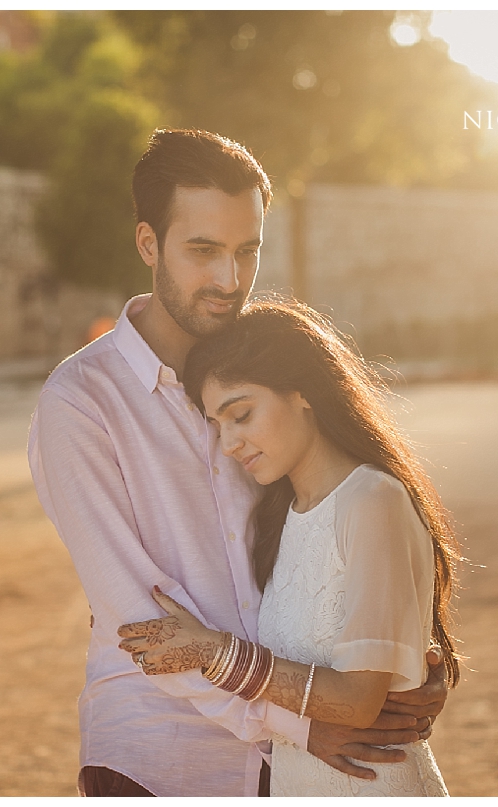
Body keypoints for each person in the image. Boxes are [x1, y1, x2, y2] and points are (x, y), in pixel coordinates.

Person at [28, 128, 449, 797]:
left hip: (300, 761)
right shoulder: (80, 402)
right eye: (203, 251)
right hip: (159, 756)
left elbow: (339, 528)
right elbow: (139, 616)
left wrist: (405, 664)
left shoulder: (267, 372)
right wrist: (307, 721)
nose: (229, 279)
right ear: (148, 244)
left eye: (246, 251)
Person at [117, 299, 460, 796]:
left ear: (303, 392)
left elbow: (358, 701)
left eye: (241, 414)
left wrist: (213, 653)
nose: (229, 442)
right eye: (216, 424)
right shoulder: (280, 517)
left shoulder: (372, 499)